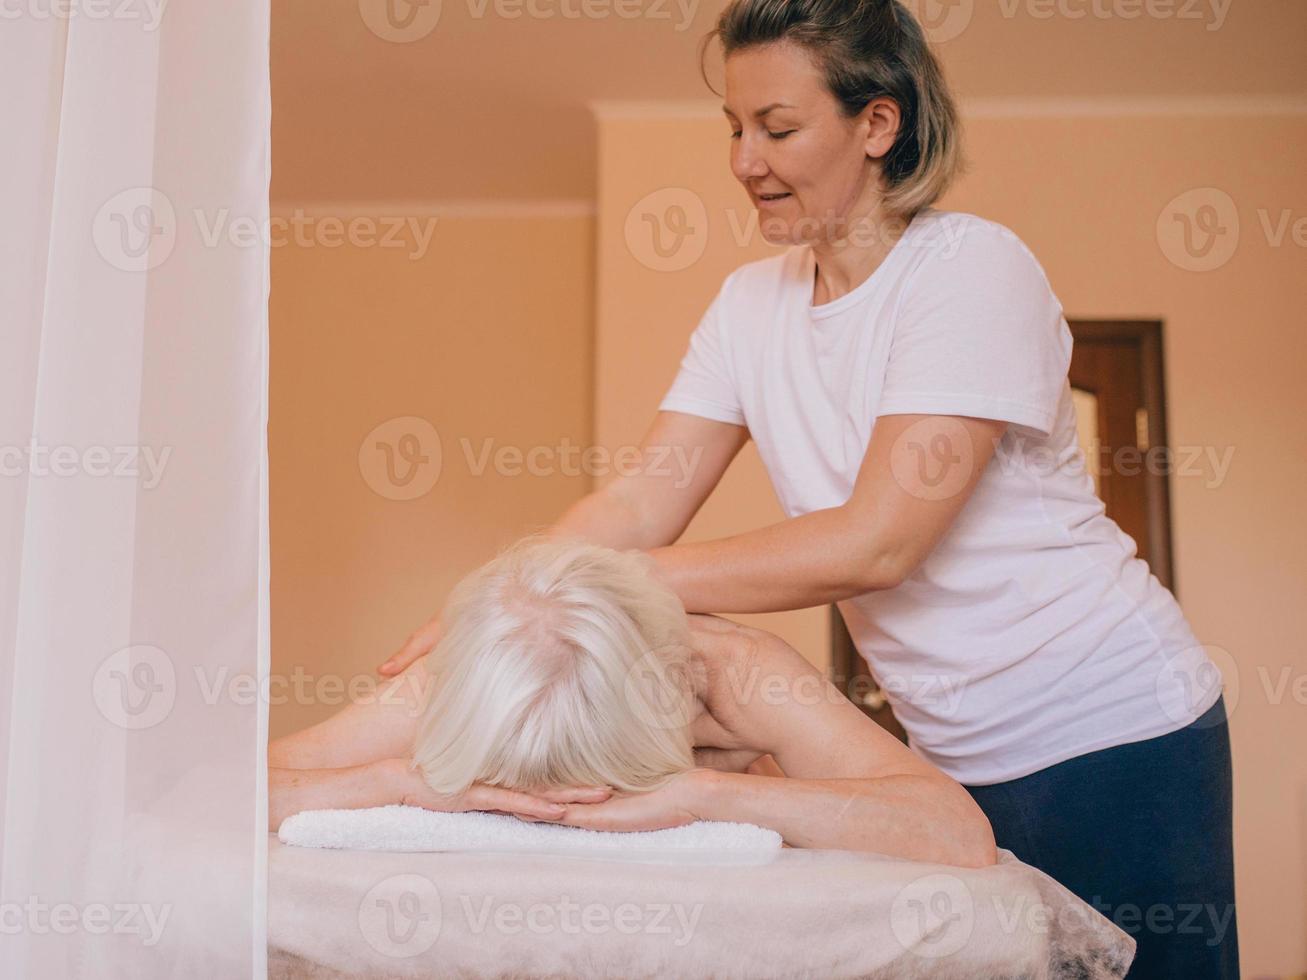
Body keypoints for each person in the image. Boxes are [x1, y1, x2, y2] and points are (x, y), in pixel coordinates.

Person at [379, 1, 1237, 975]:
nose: (745, 160)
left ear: (877, 124)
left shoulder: (968, 271)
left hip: (1111, 721)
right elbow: (636, 500)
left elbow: (877, 540)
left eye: (777, 129)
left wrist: (603, 588)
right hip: (941, 750)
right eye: (734, 129)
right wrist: (508, 600)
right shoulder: (750, 307)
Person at [271, 534, 998, 867]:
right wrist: (394, 783)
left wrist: (714, 794)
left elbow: (956, 834)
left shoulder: (740, 675)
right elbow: (215, 792)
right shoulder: (456, 678)